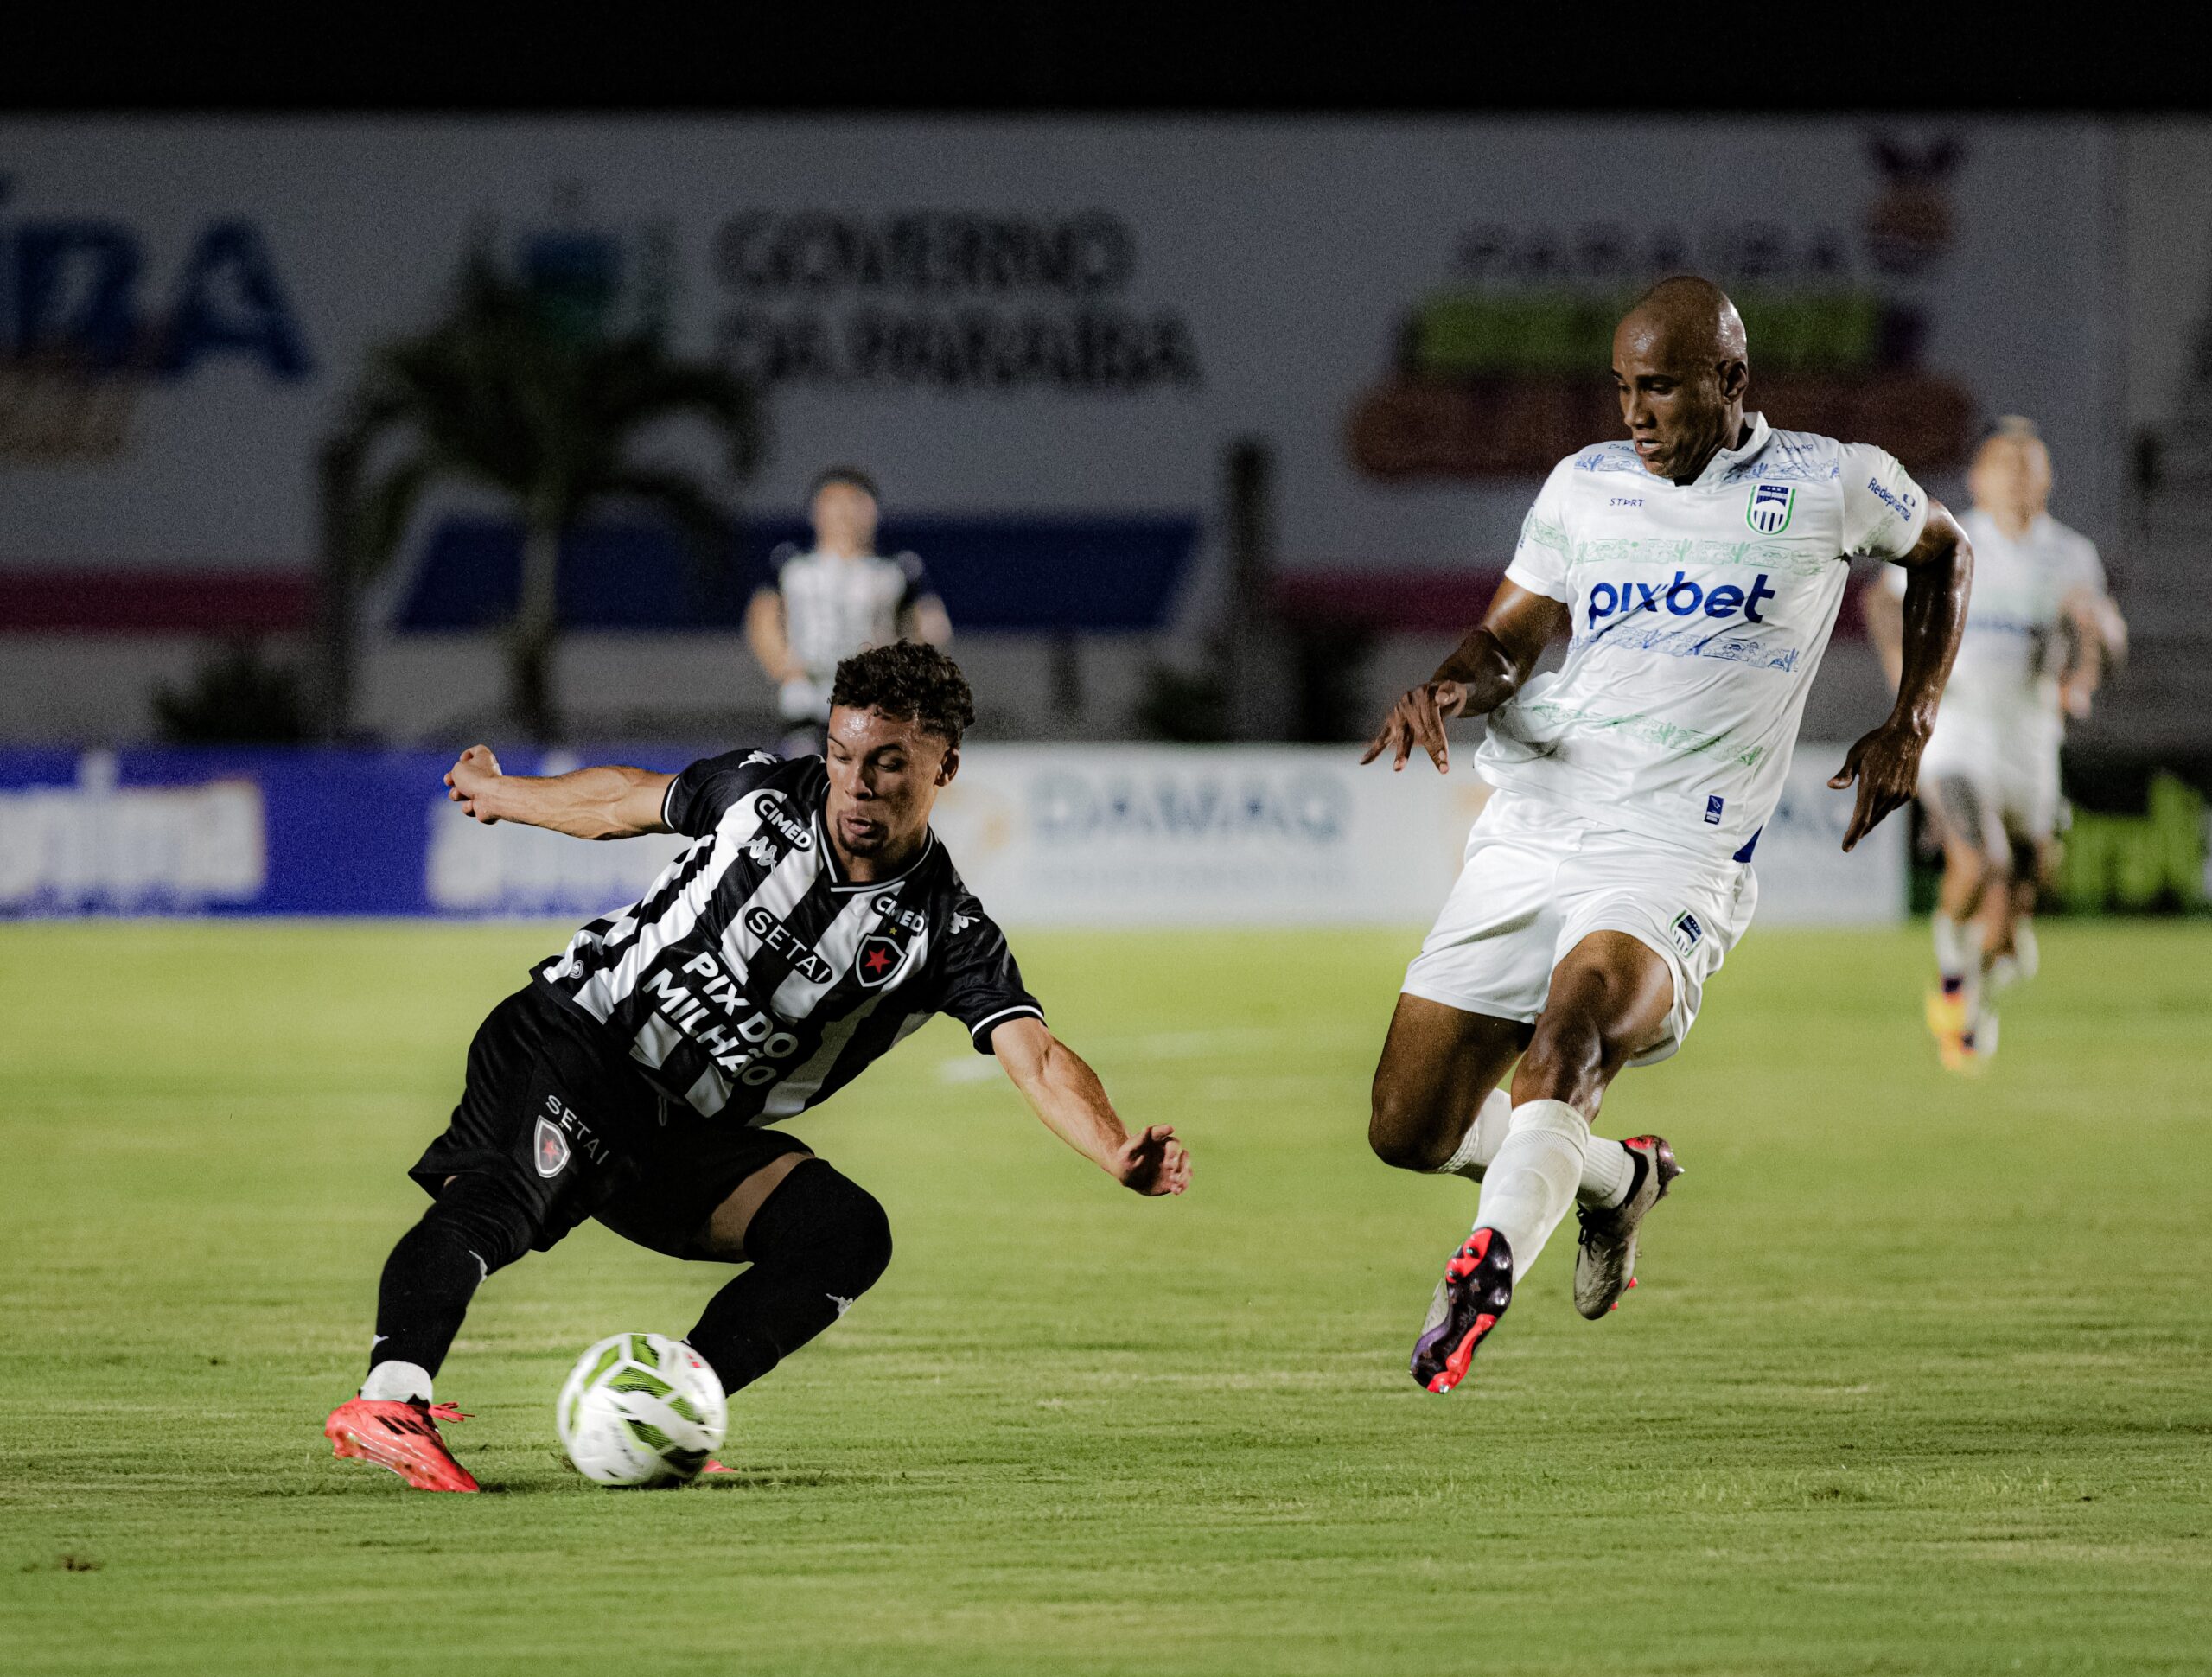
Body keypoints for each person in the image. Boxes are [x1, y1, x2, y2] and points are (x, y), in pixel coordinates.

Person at [324, 642, 1189, 1491]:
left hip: (674, 1134)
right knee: (499, 1203)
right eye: (844, 754)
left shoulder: (945, 932)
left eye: (888, 764)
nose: (856, 782)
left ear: (943, 767)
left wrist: (1113, 1149)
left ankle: (669, 1407)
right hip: (575, 1038)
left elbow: (1033, 1055)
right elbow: (625, 798)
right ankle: (389, 1398)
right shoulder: (762, 795)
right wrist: (502, 792)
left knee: (843, 1233)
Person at [1361, 275, 1970, 1396]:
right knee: (1409, 1127)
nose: (1634, 414)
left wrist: (1911, 721)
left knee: (1575, 1036)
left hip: (1673, 855)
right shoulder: (1585, 488)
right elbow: (1508, 641)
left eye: (1661, 390)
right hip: (1536, 826)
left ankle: (1486, 1272)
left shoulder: (1833, 481)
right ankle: (1614, 1183)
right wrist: (1450, 689)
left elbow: (1943, 554)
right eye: (1622, 390)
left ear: (1732, 382)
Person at [1864, 418, 2122, 1071]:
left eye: (2029, 466)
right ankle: (1955, 977)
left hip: (2031, 735)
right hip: (1958, 729)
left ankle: (1967, 990)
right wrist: (1905, 677)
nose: (2017, 478)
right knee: (1980, 862)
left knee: (2018, 905)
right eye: (2005, 465)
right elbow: (1880, 601)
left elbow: (2102, 641)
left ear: (2047, 479)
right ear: (1979, 477)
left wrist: (2088, 661)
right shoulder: (1951, 536)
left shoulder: (2070, 554)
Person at [745, 466, 953, 756]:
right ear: (816, 511)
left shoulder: (897, 568)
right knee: (806, 773)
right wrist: (783, 666)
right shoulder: (791, 564)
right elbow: (762, 618)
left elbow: (932, 626)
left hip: (874, 699)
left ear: (873, 510)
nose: (843, 514)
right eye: (832, 503)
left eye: (854, 503)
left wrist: (903, 671)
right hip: (808, 694)